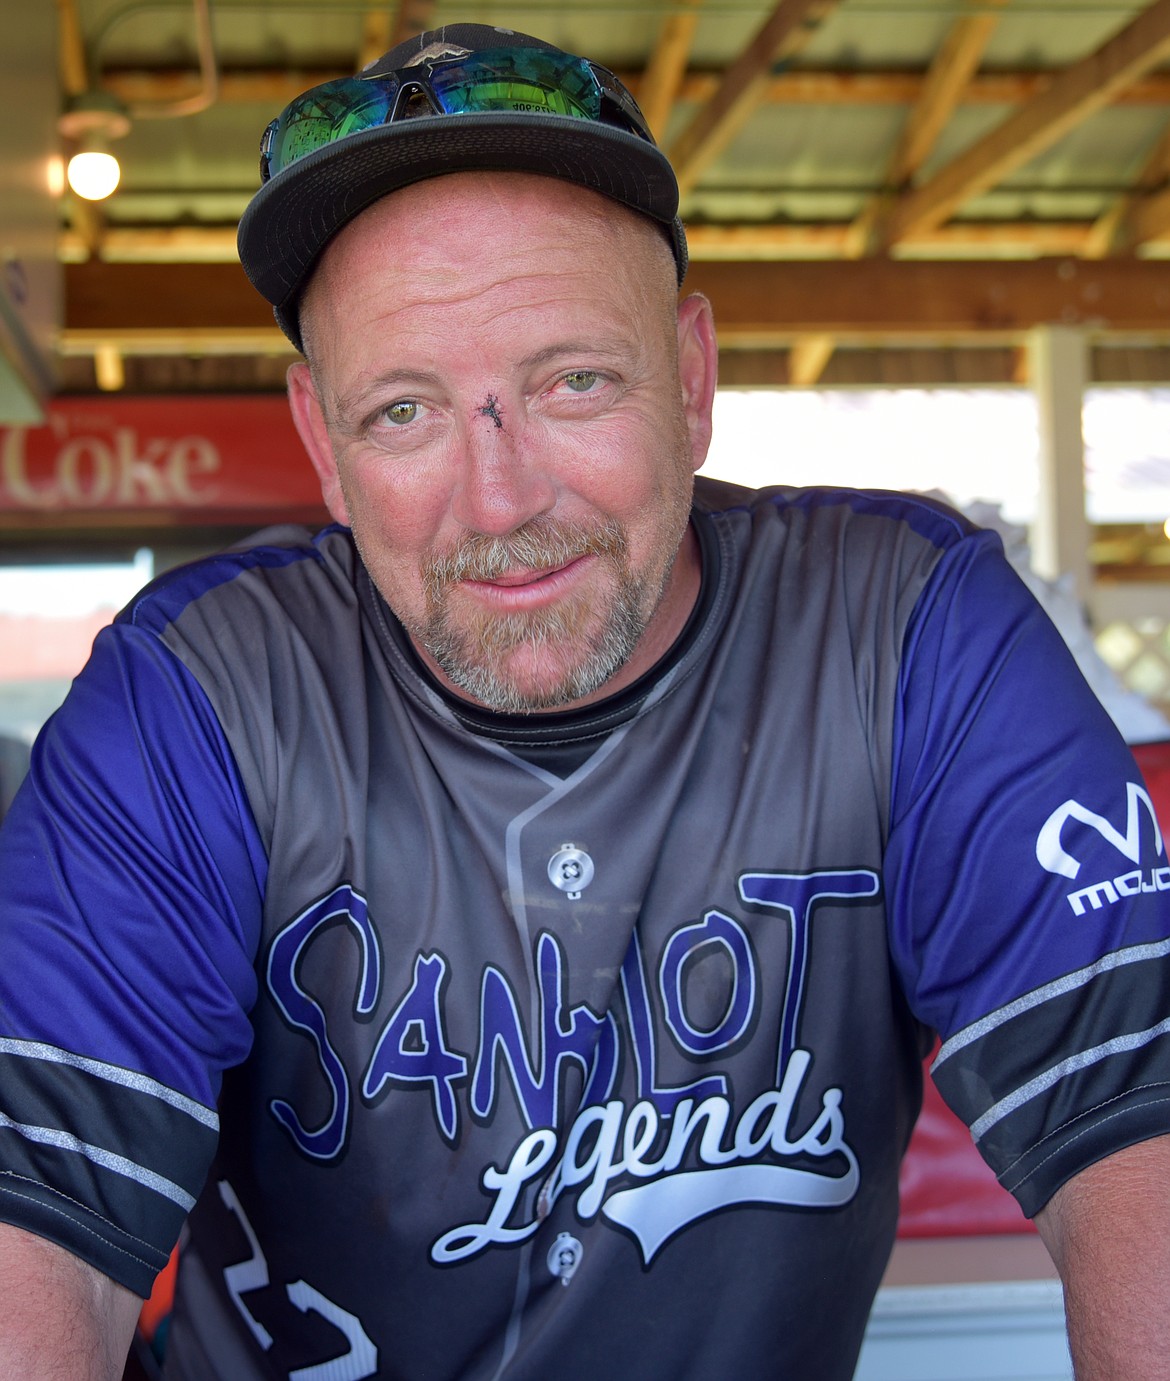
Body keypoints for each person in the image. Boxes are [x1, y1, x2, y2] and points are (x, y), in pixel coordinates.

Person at [1, 23, 1168, 1380]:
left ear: (688, 378)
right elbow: (37, 1235)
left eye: (572, 381)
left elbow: (1137, 1139)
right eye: (403, 412)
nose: (500, 502)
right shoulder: (197, 695)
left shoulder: (905, 631)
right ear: (321, 442)